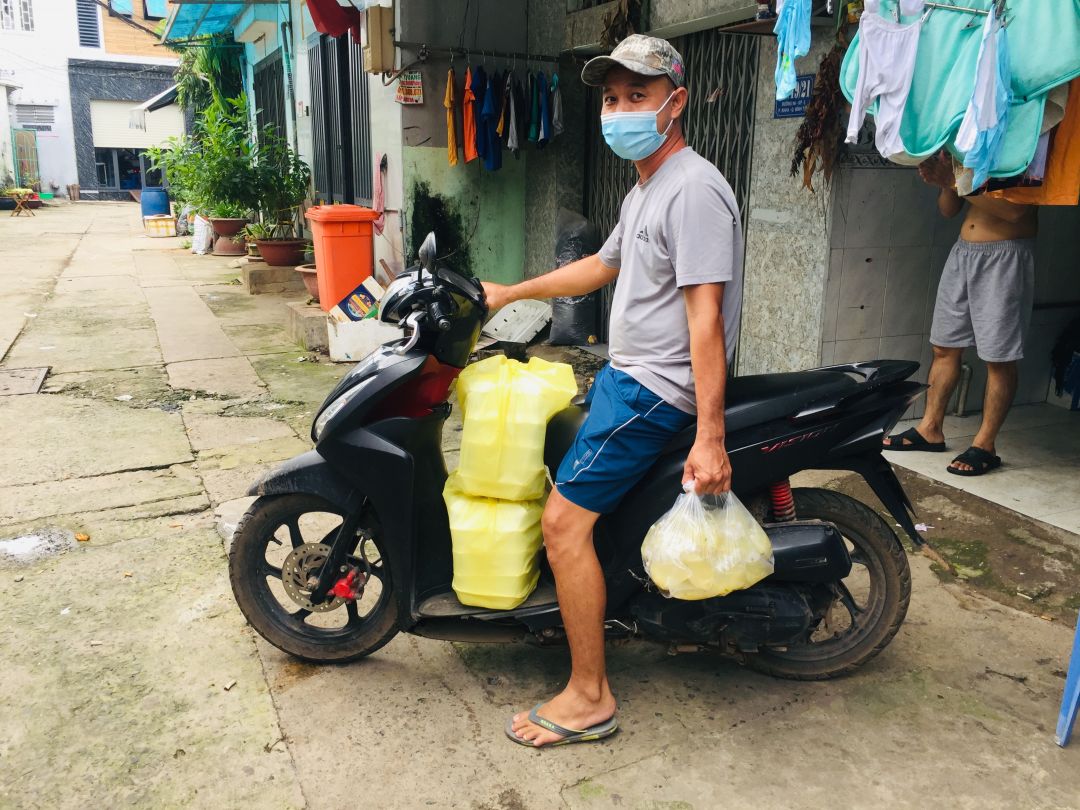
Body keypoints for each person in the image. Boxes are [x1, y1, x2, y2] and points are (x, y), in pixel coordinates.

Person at [481, 35, 744, 747]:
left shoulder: (691, 190)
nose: (620, 110)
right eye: (611, 98)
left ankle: (590, 696)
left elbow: (705, 318)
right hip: (628, 376)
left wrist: (711, 437)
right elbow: (601, 265)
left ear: (675, 102)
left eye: (638, 96)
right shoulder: (646, 188)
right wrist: (511, 292)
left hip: (653, 390)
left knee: (562, 526)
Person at [882, 151, 1037, 475]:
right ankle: (930, 428)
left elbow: (1014, 211)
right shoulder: (972, 149)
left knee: (999, 357)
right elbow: (948, 209)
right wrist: (946, 181)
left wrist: (954, 181)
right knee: (944, 347)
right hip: (964, 252)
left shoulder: (1023, 150)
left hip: (1004, 256)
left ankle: (985, 445)